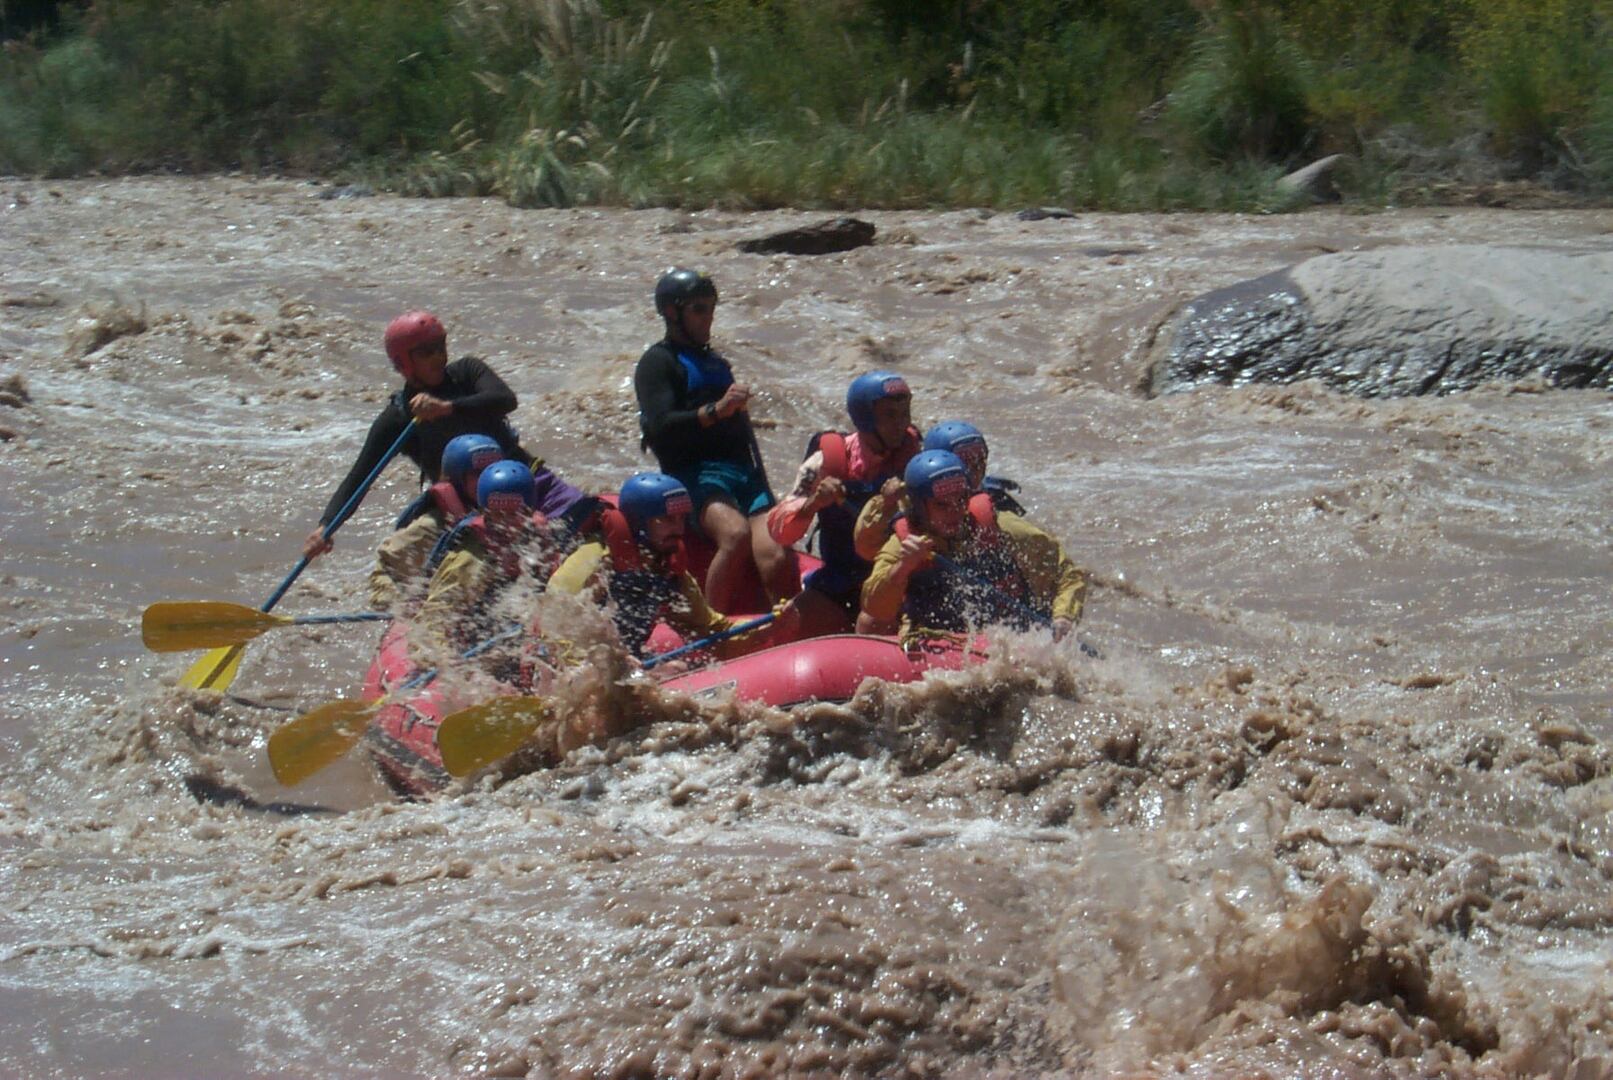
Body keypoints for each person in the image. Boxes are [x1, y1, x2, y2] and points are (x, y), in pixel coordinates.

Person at [302, 310, 535, 561]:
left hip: (518, 484)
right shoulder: (398, 418)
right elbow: (360, 477)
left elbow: (505, 399)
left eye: (440, 346)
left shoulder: (468, 373)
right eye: (426, 352)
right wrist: (326, 526)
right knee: (395, 555)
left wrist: (447, 408)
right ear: (404, 363)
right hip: (461, 507)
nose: (438, 356)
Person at [632, 269, 792, 613]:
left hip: (741, 475)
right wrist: (716, 410)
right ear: (673, 313)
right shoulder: (657, 363)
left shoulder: (716, 363)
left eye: (711, 308)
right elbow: (660, 425)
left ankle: (789, 631)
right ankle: (712, 625)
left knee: (777, 551)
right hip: (693, 476)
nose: (709, 317)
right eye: (699, 309)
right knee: (735, 536)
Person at [547, 472, 776, 664]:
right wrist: (610, 669)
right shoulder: (593, 561)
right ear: (638, 522)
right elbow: (555, 628)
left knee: (675, 668)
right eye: (666, 520)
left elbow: (712, 630)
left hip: (624, 662)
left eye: (680, 519)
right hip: (570, 664)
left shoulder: (667, 569)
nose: (678, 529)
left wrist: (767, 627)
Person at [860, 450, 1086, 644]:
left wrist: (1064, 617)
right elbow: (874, 608)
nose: (955, 511)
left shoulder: (1002, 527)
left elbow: (1067, 574)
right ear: (919, 507)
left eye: (961, 500)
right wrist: (902, 567)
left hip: (1007, 639)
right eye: (942, 505)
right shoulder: (903, 545)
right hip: (938, 642)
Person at [767, 371, 922, 633]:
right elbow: (780, 532)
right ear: (865, 418)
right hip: (840, 578)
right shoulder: (825, 461)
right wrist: (814, 503)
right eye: (890, 415)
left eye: (904, 413)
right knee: (788, 627)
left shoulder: (916, 458)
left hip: (894, 579)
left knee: (875, 623)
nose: (901, 424)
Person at [409, 460, 551, 664]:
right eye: (498, 515)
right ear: (485, 512)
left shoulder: (541, 536)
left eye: (514, 514)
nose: (506, 523)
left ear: (529, 511)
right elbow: (437, 614)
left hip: (518, 625)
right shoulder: (470, 557)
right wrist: (441, 659)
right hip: (480, 636)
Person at [370, 433, 504, 612]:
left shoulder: (508, 511)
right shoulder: (432, 526)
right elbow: (386, 564)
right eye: (478, 473)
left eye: (493, 470)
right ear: (457, 479)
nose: (489, 479)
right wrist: (400, 605)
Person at [919, 420, 1027, 515]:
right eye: (966, 464)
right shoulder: (924, 502)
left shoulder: (995, 495)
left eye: (980, 461)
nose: (977, 472)